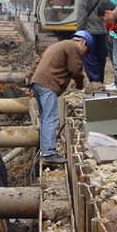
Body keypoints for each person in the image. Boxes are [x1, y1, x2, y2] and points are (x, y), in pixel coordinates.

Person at [25, 31, 92, 164]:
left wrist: (30, 84)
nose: (83, 54)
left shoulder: (56, 46)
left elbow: (36, 63)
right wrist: (80, 85)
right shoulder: (72, 46)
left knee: (45, 118)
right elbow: (76, 69)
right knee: (51, 118)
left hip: (38, 82)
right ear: (82, 43)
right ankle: (49, 153)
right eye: (86, 50)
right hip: (48, 84)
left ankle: (45, 149)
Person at [77, 0, 110, 83]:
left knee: (90, 60)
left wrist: (79, 31)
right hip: (102, 31)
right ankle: (100, 82)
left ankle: (94, 84)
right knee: (101, 59)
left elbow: (82, 12)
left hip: (88, 33)